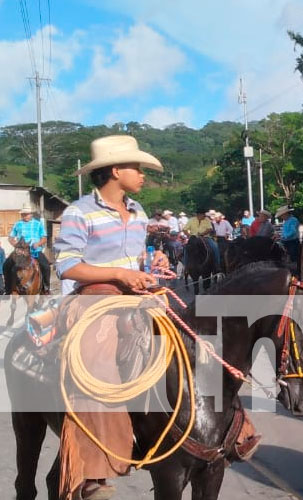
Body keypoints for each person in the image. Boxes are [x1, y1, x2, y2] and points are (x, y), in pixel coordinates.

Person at [54, 135, 170, 499]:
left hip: (137, 297)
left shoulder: (139, 213)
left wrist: (150, 263)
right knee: (96, 367)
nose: (142, 175)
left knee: (191, 346)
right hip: (94, 300)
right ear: (116, 170)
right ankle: (93, 469)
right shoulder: (78, 212)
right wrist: (118, 275)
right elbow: (67, 266)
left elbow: (134, 262)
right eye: (137, 168)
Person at [7, 204, 50, 293]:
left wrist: (38, 243)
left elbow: (44, 238)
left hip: (35, 251)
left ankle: (46, 288)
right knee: (6, 265)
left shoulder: (38, 224)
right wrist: (15, 244)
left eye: (27, 214)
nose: (25, 215)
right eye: (23, 214)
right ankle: (8, 289)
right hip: (20, 252)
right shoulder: (17, 224)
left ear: (31, 214)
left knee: (46, 266)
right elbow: (11, 237)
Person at [183, 207, 220, 273]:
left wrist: (202, 234)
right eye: (202, 214)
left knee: (215, 246)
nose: (204, 216)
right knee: (186, 249)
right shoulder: (191, 220)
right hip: (193, 238)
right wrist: (189, 235)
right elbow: (184, 229)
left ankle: (217, 265)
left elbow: (210, 229)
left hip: (205, 237)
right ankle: (186, 266)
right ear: (198, 214)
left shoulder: (207, 220)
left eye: (204, 214)